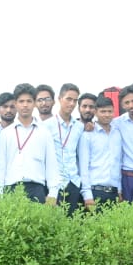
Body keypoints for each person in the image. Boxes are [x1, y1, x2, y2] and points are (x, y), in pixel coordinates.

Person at [0, 83, 59, 204]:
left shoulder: (44, 132)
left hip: (37, 189)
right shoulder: (5, 133)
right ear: (15, 103)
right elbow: (1, 167)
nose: (25, 105)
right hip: (11, 189)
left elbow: (51, 165)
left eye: (29, 101)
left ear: (34, 103)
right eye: (21, 101)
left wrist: (53, 193)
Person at [79, 90, 123, 206]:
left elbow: (118, 164)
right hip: (94, 192)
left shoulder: (117, 134)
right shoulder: (88, 135)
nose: (107, 115)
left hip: (114, 193)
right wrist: (87, 195)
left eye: (109, 111)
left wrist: (119, 190)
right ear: (95, 112)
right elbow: (84, 167)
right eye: (103, 111)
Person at [50, 83, 87, 213]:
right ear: (59, 99)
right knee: (53, 220)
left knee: (72, 221)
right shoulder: (47, 125)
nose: (72, 104)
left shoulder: (79, 127)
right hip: (54, 184)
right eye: (68, 99)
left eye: (75, 100)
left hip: (73, 183)